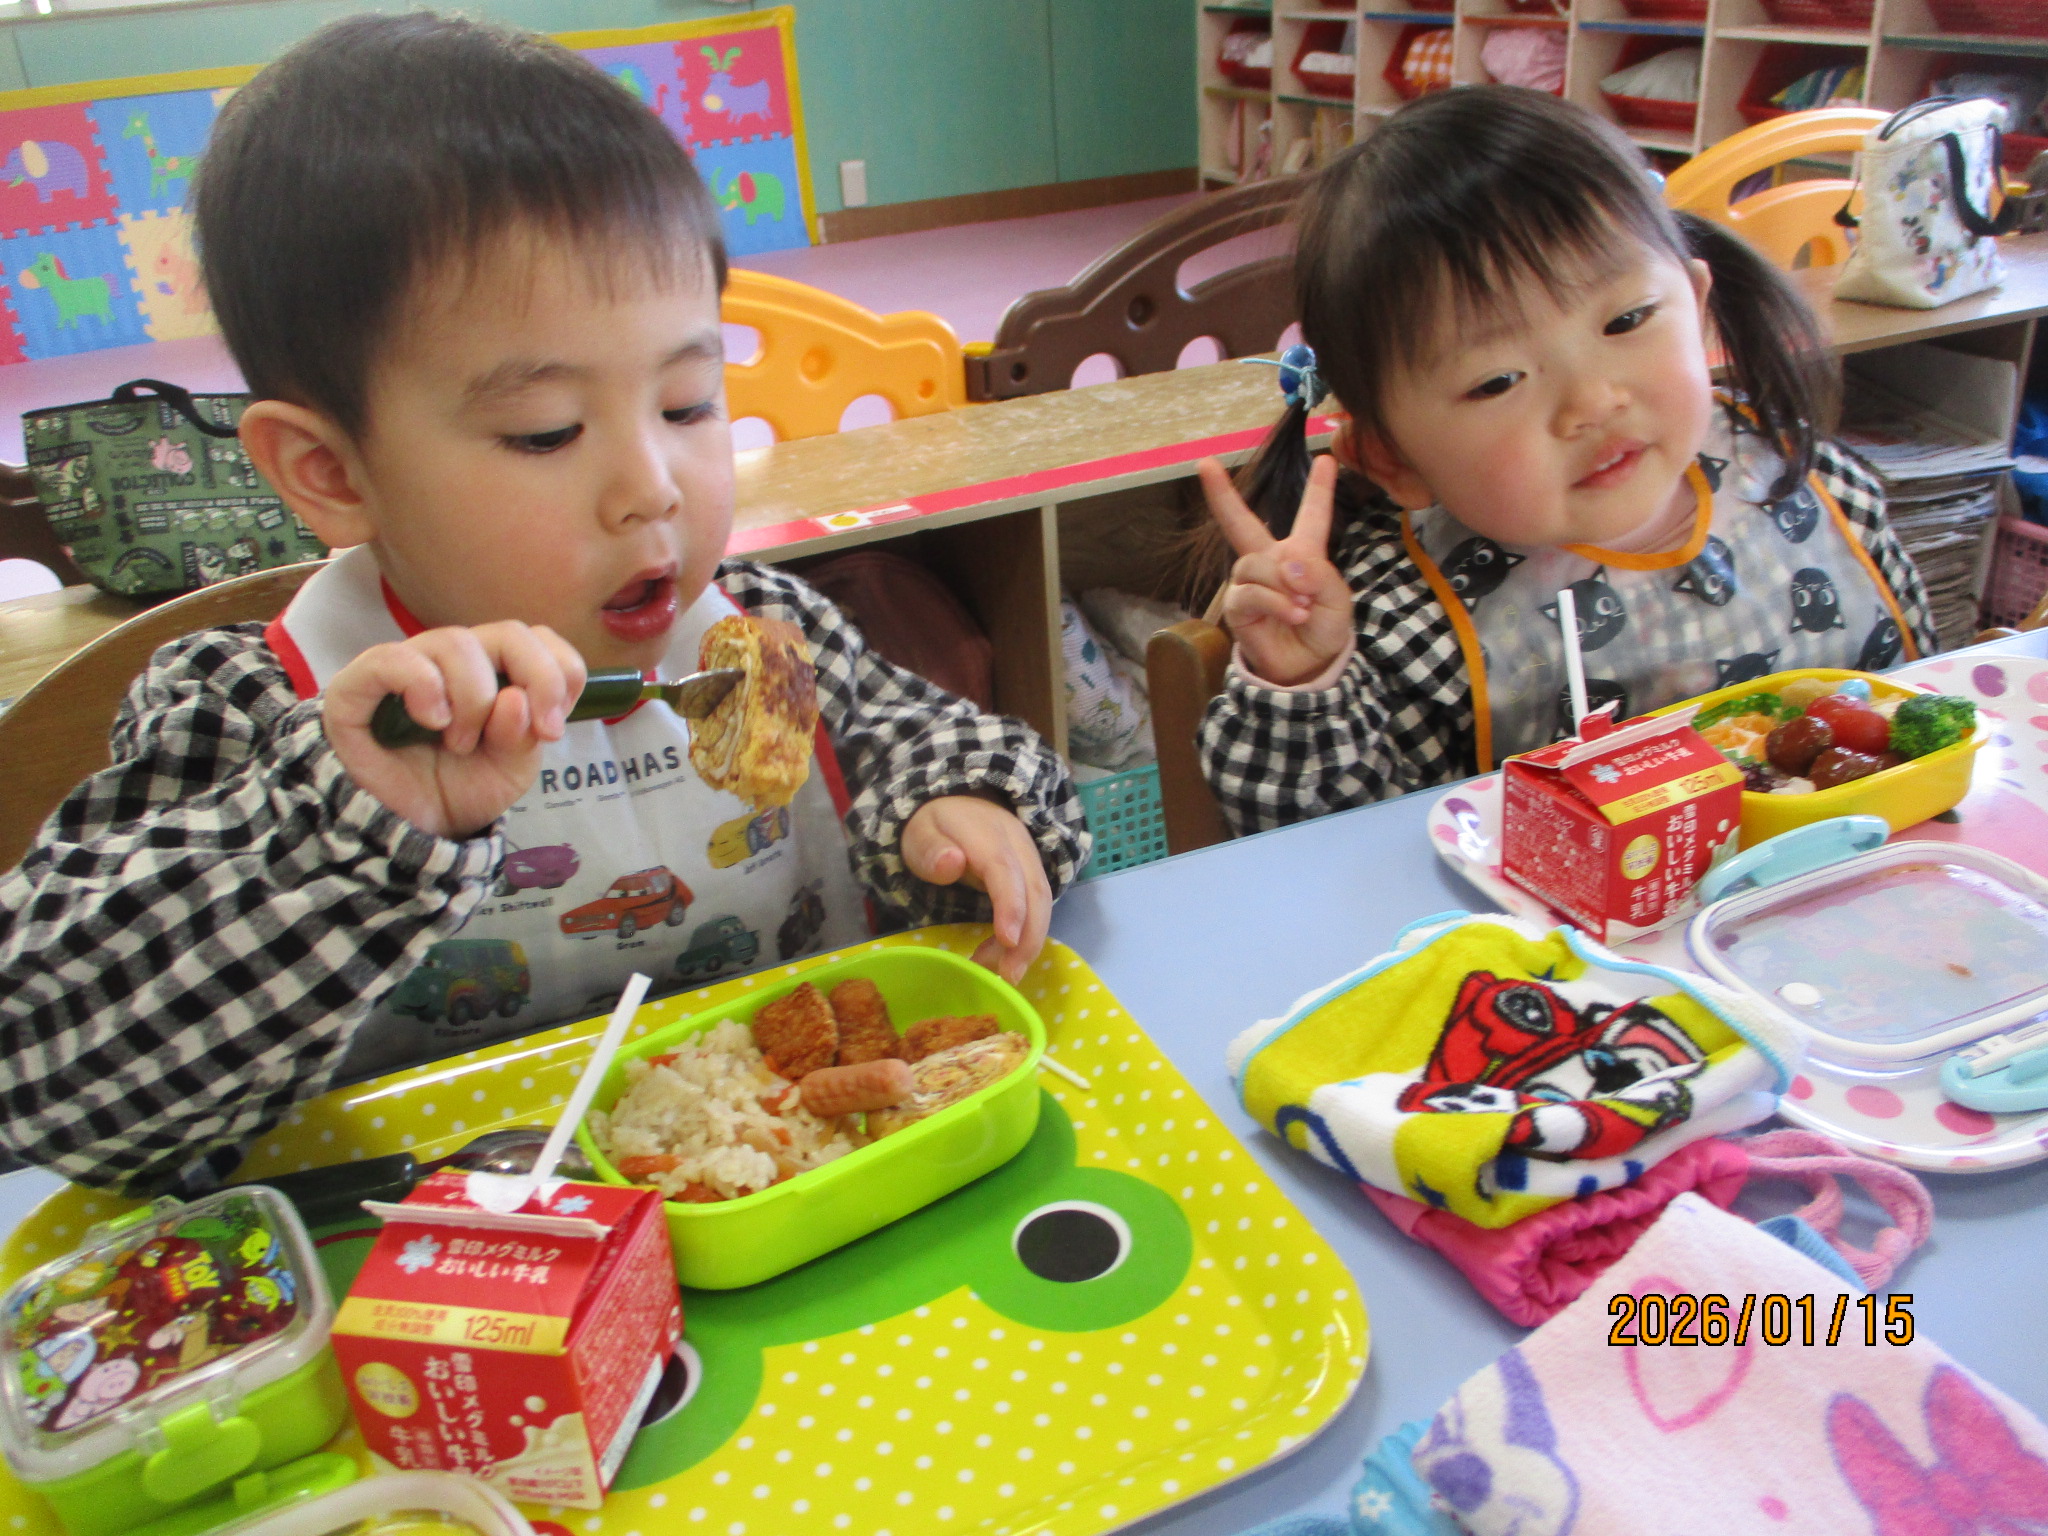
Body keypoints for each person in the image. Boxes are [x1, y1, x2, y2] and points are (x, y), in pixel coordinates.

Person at [0, 15, 1086, 1196]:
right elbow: (46, 1081)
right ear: (331, 472)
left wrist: (958, 807)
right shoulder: (253, 709)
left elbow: (942, 747)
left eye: (687, 403)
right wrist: (339, 837)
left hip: (796, 1204)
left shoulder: (760, 636)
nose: (651, 487)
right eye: (545, 432)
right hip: (440, 1268)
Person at [1194, 88, 1935, 834]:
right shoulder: (1413, 622)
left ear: (1698, 304)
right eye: (1497, 381)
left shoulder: (1812, 485)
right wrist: (1305, 681)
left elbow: (1917, 715)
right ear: (1394, 460)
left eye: (1626, 319)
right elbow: (1332, 851)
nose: (1592, 402)